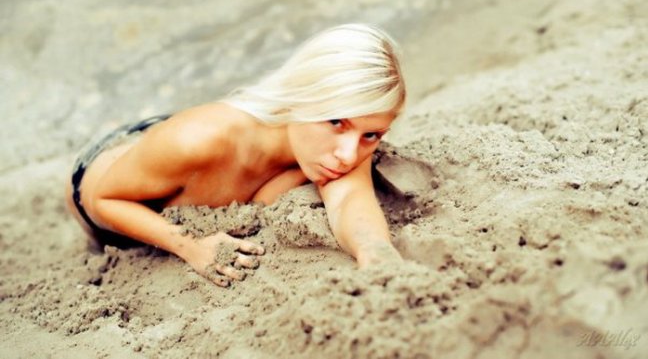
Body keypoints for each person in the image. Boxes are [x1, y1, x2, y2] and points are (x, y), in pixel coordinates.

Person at [64, 23, 406, 287]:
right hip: (100, 176)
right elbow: (104, 199)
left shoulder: (343, 146)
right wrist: (190, 246)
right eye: (336, 122)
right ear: (304, 96)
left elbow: (350, 202)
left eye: (371, 134)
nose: (348, 155)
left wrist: (377, 254)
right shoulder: (196, 140)